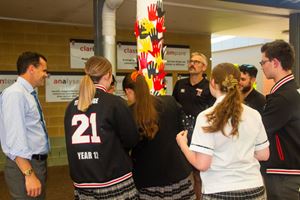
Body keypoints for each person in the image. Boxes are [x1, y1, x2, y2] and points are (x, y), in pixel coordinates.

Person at [177, 63, 270, 199]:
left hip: (219, 189)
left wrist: (182, 144)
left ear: (213, 82)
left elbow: (202, 164)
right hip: (254, 188)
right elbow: (263, 155)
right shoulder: (253, 114)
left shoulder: (206, 116)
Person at [64, 56, 139, 200]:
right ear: (108, 75)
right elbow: (131, 139)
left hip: (83, 183)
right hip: (114, 182)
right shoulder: (115, 103)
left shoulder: (71, 106)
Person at [122, 72, 195, 200]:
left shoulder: (129, 113)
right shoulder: (170, 102)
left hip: (148, 179)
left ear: (128, 91)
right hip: (178, 174)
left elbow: (127, 145)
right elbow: (182, 132)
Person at [0, 51, 50, 199]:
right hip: (25, 166)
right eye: (44, 70)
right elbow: (16, 139)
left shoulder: (28, 93)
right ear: (31, 69)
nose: (46, 75)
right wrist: (29, 174)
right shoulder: (15, 94)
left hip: (35, 164)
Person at [260, 40, 300, 200]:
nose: (261, 66)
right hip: (285, 170)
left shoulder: (283, 97)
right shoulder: (289, 92)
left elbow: (261, 130)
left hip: (283, 173)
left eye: (263, 62)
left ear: (275, 62)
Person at [172, 51, 215, 199]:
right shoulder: (179, 84)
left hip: (201, 135)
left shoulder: (209, 86)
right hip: (182, 135)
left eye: (196, 62)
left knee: (198, 173)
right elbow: (174, 107)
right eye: (191, 61)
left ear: (204, 67)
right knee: (182, 171)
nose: (192, 64)